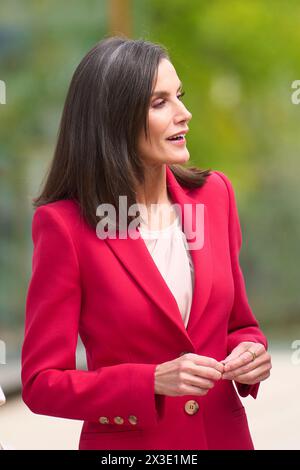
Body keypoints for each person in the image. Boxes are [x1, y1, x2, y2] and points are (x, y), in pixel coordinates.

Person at [21, 36, 272, 450]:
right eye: (160, 103)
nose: (184, 114)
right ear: (114, 119)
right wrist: (150, 381)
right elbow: (40, 383)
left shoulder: (215, 196)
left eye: (180, 96)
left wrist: (249, 352)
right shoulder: (64, 226)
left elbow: (239, 325)